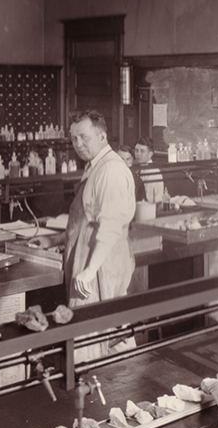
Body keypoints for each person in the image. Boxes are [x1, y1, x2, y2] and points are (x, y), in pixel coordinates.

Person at [29, 111, 136, 307]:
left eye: (84, 137)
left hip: (101, 264)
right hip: (89, 260)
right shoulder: (94, 167)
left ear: (102, 137)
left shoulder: (110, 170)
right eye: (74, 138)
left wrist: (89, 271)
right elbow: (84, 223)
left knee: (98, 330)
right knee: (102, 330)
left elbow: (110, 227)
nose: (78, 144)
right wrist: (54, 239)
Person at [134, 136, 164, 203]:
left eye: (142, 151)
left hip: (151, 208)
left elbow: (149, 199)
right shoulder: (142, 168)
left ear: (150, 154)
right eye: (136, 150)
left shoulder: (151, 172)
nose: (138, 154)